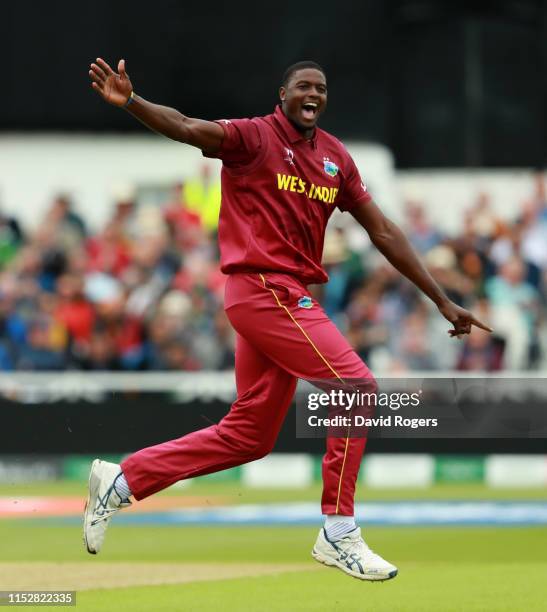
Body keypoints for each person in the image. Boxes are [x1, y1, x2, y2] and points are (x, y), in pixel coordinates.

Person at [84, 57, 492, 581]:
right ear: (283, 94)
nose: (313, 93)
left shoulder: (335, 158)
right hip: (260, 288)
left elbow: (383, 231)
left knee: (250, 436)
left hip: (285, 295)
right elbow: (186, 127)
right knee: (356, 387)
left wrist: (439, 297)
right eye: (303, 85)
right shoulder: (252, 138)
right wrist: (134, 103)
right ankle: (338, 532)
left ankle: (119, 482)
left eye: (321, 88)